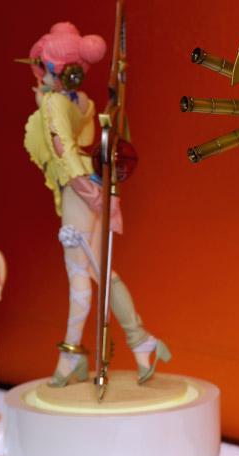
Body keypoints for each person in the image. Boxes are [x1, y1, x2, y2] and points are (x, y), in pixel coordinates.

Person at [23, 22, 170, 387]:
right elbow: (80, 131)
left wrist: (86, 190)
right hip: (94, 186)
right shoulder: (79, 101)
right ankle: (139, 343)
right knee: (99, 270)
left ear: (58, 69)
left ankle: (75, 355)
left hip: (80, 191)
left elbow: (63, 150)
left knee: (81, 273)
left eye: (43, 65)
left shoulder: (56, 103)